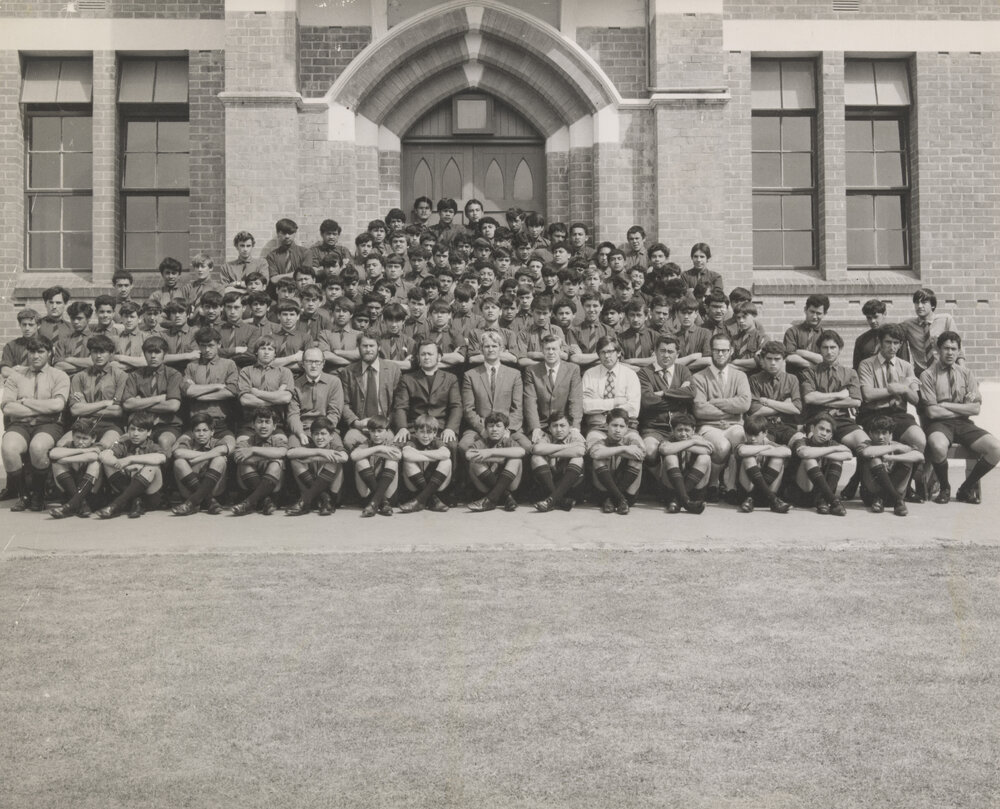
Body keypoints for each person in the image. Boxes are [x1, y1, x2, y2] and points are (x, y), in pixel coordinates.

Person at [921, 331, 1000, 505]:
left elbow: (976, 408)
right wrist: (963, 409)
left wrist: (945, 405)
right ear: (937, 350)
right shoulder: (928, 375)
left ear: (959, 351)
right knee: (937, 445)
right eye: (946, 348)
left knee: (996, 448)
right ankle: (944, 488)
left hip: (964, 424)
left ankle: (965, 488)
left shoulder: (966, 373)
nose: (950, 352)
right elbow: (932, 413)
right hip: (939, 424)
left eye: (954, 349)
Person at [858, 324, 927, 501]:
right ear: (879, 342)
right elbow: (867, 395)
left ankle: (905, 486)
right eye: (888, 342)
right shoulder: (866, 364)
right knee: (871, 446)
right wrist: (892, 389)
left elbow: (915, 399)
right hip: (874, 414)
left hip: (898, 414)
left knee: (919, 440)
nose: (892, 347)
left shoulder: (906, 367)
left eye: (896, 343)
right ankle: (875, 489)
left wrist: (904, 389)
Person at [1, 336, 70, 510]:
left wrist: (25, 402)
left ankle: (38, 494)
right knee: (8, 448)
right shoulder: (16, 377)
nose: (36, 356)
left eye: (40, 352)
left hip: (49, 425)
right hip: (21, 424)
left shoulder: (59, 376)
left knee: (38, 447)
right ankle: (24, 495)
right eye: (32, 352)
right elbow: (8, 408)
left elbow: (57, 405)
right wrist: (42, 408)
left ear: (49, 353)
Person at [692, 333, 751, 502]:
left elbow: (745, 404)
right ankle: (713, 484)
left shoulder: (740, 376)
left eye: (725, 350)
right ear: (711, 351)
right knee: (722, 446)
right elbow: (700, 409)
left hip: (735, 424)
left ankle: (732, 487)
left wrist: (715, 402)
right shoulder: (699, 377)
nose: (720, 354)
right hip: (709, 425)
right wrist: (732, 409)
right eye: (717, 350)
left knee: (739, 440)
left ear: (731, 351)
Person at [459, 331, 524, 455]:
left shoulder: (514, 374)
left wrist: (506, 429)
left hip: (507, 428)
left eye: (494, 346)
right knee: (464, 446)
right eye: (487, 346)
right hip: (480, 427)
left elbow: (518, 408)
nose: (490, 349)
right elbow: (468, 409)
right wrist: (483, 429)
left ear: (501, 349)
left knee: (525, 447)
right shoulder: (470, 375)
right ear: (481, 349)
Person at [392, 340, 462, 454]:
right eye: (423, 354)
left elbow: (456, 406)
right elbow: (401, 407)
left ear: (439, 357)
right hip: (414, 428)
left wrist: (450, 429)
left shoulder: (451, 379)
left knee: (452, 445)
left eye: (430, 354)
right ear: (418, 358)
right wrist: (402, 428)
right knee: (398, 445)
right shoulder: (407, 379)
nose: (426, 357)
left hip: (440, 429)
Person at [96, 412, 168, 519]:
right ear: (126, 430)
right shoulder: (124, 445)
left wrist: (130, 460)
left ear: (149, 432)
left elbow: (161, 458)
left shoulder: (152, 446)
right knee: (107, 464)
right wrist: (121, 464)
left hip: (149, 497)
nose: (135, 434)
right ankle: (133, 500)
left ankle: (115, 505)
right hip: (126, 493)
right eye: (132, 429)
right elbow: (103, 456)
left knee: (152, 466)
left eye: (141, 430)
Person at [121, 336, 184, 458]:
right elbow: (127, 404)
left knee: (164, 441)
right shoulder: (135, 375)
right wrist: (159, 398)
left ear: (164, 354)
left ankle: (165, 475)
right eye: (149, 352)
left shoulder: (173, 374)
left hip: (167, 424)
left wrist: (140, 403)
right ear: (144, 354)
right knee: (122, 442)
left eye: (157, 352)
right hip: (140, 425)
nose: (153, 356)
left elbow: (173, 406)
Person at [636, 335, 694, 465]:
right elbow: (648, 401)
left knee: (697, 453)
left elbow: (691, 393)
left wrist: (663, 393)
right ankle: (658, 481)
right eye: (662, 351)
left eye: (670, 351)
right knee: (650, 451)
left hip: (681, 427)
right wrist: (679, 399)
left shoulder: (683, 370)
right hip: (654, 428)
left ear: (677, 354)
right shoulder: (644, 373)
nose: (666, 355)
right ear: (655, 352)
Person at [339, 333, 402, 451]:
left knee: (391, 442)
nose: (368, 350)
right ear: (358, 347)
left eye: (371, 346)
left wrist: (386, 423)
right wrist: (356, 423)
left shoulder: (393, 370)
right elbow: (344, 403)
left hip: (384, 427)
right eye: (364, 346)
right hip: (359, 427)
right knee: (349, 440)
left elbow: (398, 404)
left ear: (378, 347)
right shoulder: (348, 372)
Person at [68, 334, 129, 449]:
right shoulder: (79, 376)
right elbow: (75, 410)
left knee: (102, 447)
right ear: (90, 353)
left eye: (103, 352)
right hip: (83, 425)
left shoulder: (121, 376)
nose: (99, 356)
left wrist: (85, 407)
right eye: (95, 352)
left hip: (110, 425)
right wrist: (105, 403)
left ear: (111, 354)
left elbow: (117, 410)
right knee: (62, 445)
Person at [170, 412, 234, 516]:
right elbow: (178, 452)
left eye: (205, 430)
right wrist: (208, 454)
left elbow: (224, 449)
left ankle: (192, 502)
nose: (201, 434)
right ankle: (208, 500)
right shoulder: (188, 442)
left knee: (220, 459)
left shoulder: (216, 442)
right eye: (197, 430)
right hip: (192, 492)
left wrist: (196, 459)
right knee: (179, 462)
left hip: (215, 491)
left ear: (212, 432)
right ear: (192, 432)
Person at [789, 412, 853, 516]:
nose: (824, 433)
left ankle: (824, 499)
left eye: (828, 431)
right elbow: (805, 452)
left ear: (831, 436)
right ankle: (834, 502)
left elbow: (848, 455)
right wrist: (835, 449)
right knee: (809, 459)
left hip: (821, 495)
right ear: (813, 428)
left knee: (837, 460)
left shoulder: (830, 443)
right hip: (802, 494)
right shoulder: (802, 441)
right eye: (821, 428)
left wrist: (826, 452)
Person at [856, 415, 920, 516]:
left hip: (885, 500)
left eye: (884, 433)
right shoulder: (866, 444)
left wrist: (892, 458)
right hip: (871, 497)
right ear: (870, 434)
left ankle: (882, 497)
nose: (880, 437)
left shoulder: (897, 445)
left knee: (908, 459)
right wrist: (894, 448)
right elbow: (866, 453)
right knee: (875, 460)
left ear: (890, 435)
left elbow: (919, 456)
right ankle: (898, 500)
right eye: (877, 433)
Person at [285, 416, 349, 516]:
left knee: (334, 459)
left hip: (333, 494)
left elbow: (344, 457)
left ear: (331, 436)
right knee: (295, 460)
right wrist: (321, 452)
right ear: (311, 435)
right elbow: (290, 453)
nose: (319, 438)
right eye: (316, 434)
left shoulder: (334, 446)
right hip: (313, 491)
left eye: (323, 434)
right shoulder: (311, 446)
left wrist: (313, 458)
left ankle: (308, 500)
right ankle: (323, 498)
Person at [181, 327, 239, 437]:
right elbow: (187, 391)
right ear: (198, 346)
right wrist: (217, 386)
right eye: (203, 345)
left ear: (219, 344)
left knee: (229, 448)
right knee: (178, 450)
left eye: (211, 345)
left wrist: (198, 395)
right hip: (196, 423)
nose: (207, 350)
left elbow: (231, 391)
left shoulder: (229, 364)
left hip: (220, 424)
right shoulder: (192, 366)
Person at [231, 407, 287, 516]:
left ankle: (248, 503)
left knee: (277, 462)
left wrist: (253, 450)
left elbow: (282, 452)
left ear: (274, 426)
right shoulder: (246, 442)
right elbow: (238, 456)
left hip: (274, 486)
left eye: (267, 422)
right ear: (253, 425)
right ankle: (265, 501)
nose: (263, 426)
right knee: (244, 463)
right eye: (260, 422)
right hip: (248, 485)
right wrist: (268, 455)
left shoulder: (278, 441)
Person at [588, 407, 645, 515]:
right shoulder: (601, 441)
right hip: (603, 495)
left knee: (637, 461)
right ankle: (619, 499)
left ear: (627, 428)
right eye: (614, 425)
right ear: (606, 426)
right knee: (598, 460)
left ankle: (616, 497)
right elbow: (595, 453)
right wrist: (623, 449)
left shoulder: (630, 440)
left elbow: (641, 455)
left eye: (622, 426)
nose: (618, 430)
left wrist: (610, 451)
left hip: (627, 493)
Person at [466, 411, 525, 512]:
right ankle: (506, 497)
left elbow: (521, 451)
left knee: (516, 459)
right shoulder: (482, 442)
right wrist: (499, 459)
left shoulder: (508, 441)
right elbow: (468, 454)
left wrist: (490, 452)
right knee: (474, 462)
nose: (494, 429)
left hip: (509, 485)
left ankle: (490, 500)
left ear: (505, 430)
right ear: (486, 429)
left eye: (498, 426)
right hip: (486, 486)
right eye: (491, 426)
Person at [580, 336, 640, 437]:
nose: (607, 356)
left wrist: (598, 403)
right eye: (603, 352)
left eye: (610, 351)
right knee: (596, 449)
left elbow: (633, 409)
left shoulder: (630, 374)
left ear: (618, 353)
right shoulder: (589, 374)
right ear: (598, 355)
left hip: (625, 426)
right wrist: (615, 402)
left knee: (637, 448)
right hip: (597, 426)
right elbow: (585, 406)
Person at [732, 415, 792, 514]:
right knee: (748, 458)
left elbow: (788, 452)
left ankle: (764, 497)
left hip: (764, 497)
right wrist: (766, 448)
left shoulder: (769, 444)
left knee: (778, 459)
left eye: (756, 435)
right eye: (749, 434)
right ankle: (774, 500)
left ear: (765, 433)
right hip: (745, 497)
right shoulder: (743, 444)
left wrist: (764, 450)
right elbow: (742, 451)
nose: (752, 438)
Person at [48, 417, 103, 519]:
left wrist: (65, 459)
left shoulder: (97, 445)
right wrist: (83, 451)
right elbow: (53, 453)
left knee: (95, 463)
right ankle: (80, 503)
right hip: (70, 493)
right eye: (78, 437)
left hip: (90, 496)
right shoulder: (69, 445)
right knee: (56, 464)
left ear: (93, 439)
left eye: (85, 438)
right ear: (72, 436)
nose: (80, 442)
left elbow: (94, 456)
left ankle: (71, 505)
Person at [531, 412, 587, 512]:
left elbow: (580, 451)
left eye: (562, 425)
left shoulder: (574, 436)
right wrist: (565, 446)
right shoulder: (547, 437)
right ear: (549, 428)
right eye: (554, 426)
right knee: (536, 458)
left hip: (569, 484)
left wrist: (552, 453)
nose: (559, 430)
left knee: (578, 458)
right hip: (549, 483)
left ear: (570, 427)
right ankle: (557, 500)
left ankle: (552, 500)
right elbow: (537, 449)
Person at [901, 288, 962, 378]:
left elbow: (958, 348)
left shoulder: (946, 320)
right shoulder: (907, 325)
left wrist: (962, 372)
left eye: (924, 302)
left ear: (932, 305)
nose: (920, 306)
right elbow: (892, 334)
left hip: (944, 372)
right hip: (921, 374)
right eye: (917, 303)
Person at [656, 413, 710, 514]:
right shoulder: (669, 439)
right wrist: (691, 443)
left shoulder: (698, 439)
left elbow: (708, 450)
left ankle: (679, 500)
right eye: (679, 430)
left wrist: (682, 445)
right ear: (673, 431)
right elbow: (665, 449)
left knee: (705, 458)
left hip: (694, 489)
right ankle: (685, 501)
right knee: (670, 457)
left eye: (687, 430)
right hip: (671, 488)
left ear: (693, 430)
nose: (683, 434)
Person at [398, 414, 452, 513]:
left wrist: (419, 453)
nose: (425, 436)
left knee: (446, 461)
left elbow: (446, 454)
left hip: (435, 482)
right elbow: (406, 454)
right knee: (408, 461)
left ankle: (419, 501)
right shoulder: (413, 440)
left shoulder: (436, 441)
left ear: (435, 433)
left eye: (429, 432)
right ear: (416, 432)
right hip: (415, 484)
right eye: (422, 432)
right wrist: (433, 457)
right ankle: (433, 500)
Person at [350, 415, 400, 518]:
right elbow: (353, 456)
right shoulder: (366, 443)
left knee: (393, 461)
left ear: (387, 431)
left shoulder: (390, 443)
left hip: (388, 494)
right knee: (360, 461)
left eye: (379, 431)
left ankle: (376, 502)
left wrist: (374, 451)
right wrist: (379, 448)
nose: (376, 435)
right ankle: (382, 502)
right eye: (373, 431)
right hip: (367, 494)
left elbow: (398, 455)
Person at [783, 294, 829, 376]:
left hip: (817, 380)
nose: (814, 316)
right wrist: (813, 365)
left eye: (818, 313)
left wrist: (799, 352)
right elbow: (790, 358)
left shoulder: (825, 336)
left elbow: (824, 359)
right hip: (795, 380)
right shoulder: (792, 332)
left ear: (824, 314)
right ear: (805, 310)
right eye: (812, 312)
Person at [2, 308, 41, 379]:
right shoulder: (11, 345)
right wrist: (24, 377)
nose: (27, 328)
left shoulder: (45, 345)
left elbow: (45, 371)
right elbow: (5, 371)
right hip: (16, 384)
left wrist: (20, 370)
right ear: (20, 325)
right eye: (24, 324)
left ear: (38, 325)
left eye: (31, 325)